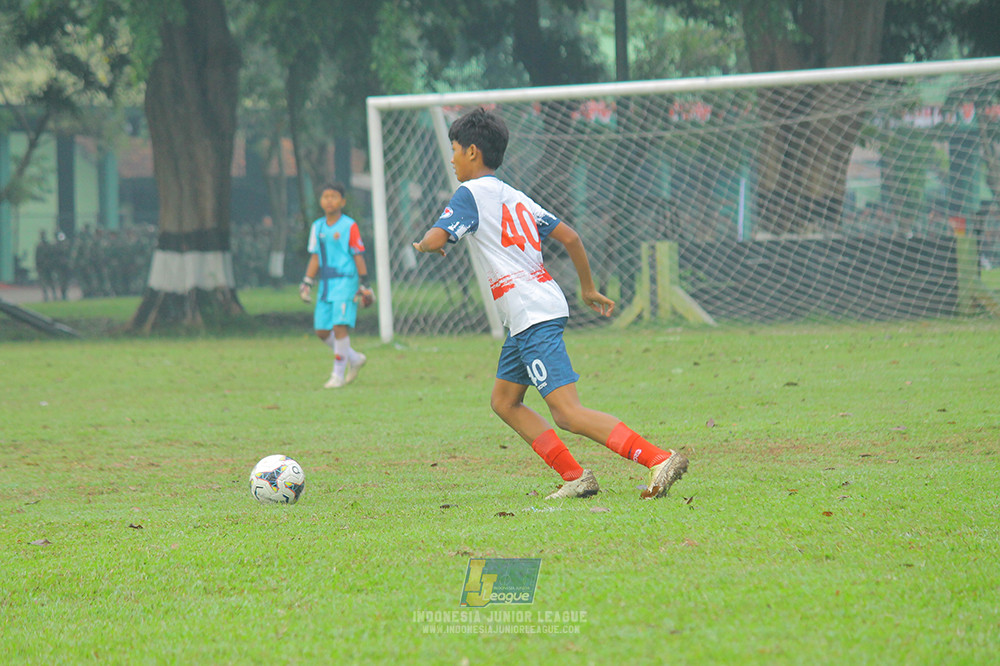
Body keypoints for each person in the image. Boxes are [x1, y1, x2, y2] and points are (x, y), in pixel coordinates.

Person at [412, 108, 688, 500]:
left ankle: (658, 457)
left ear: (472, 152)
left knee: (567, 413)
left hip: (531, 313)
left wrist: (425, 244)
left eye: (454, 150)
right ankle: (576, 476)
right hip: (533, 310)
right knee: (505, 402)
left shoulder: (470, 194)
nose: (452, 158)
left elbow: (437, 238)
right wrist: (587, 289)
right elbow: (571, 237)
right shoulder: (515, 196)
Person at [299, 182, 373, 388]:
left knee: (340, 326)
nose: (329, 200)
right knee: (322, 331)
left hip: (346, 281)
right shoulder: (318, 227)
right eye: (325, 197)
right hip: (326, 283)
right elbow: (315, 257)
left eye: (334, 196)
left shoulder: (349, 226)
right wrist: (307, 282)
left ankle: (337, 375)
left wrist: (365, 283)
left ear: (343, 201)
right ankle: (354, 359)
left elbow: (358, 254)